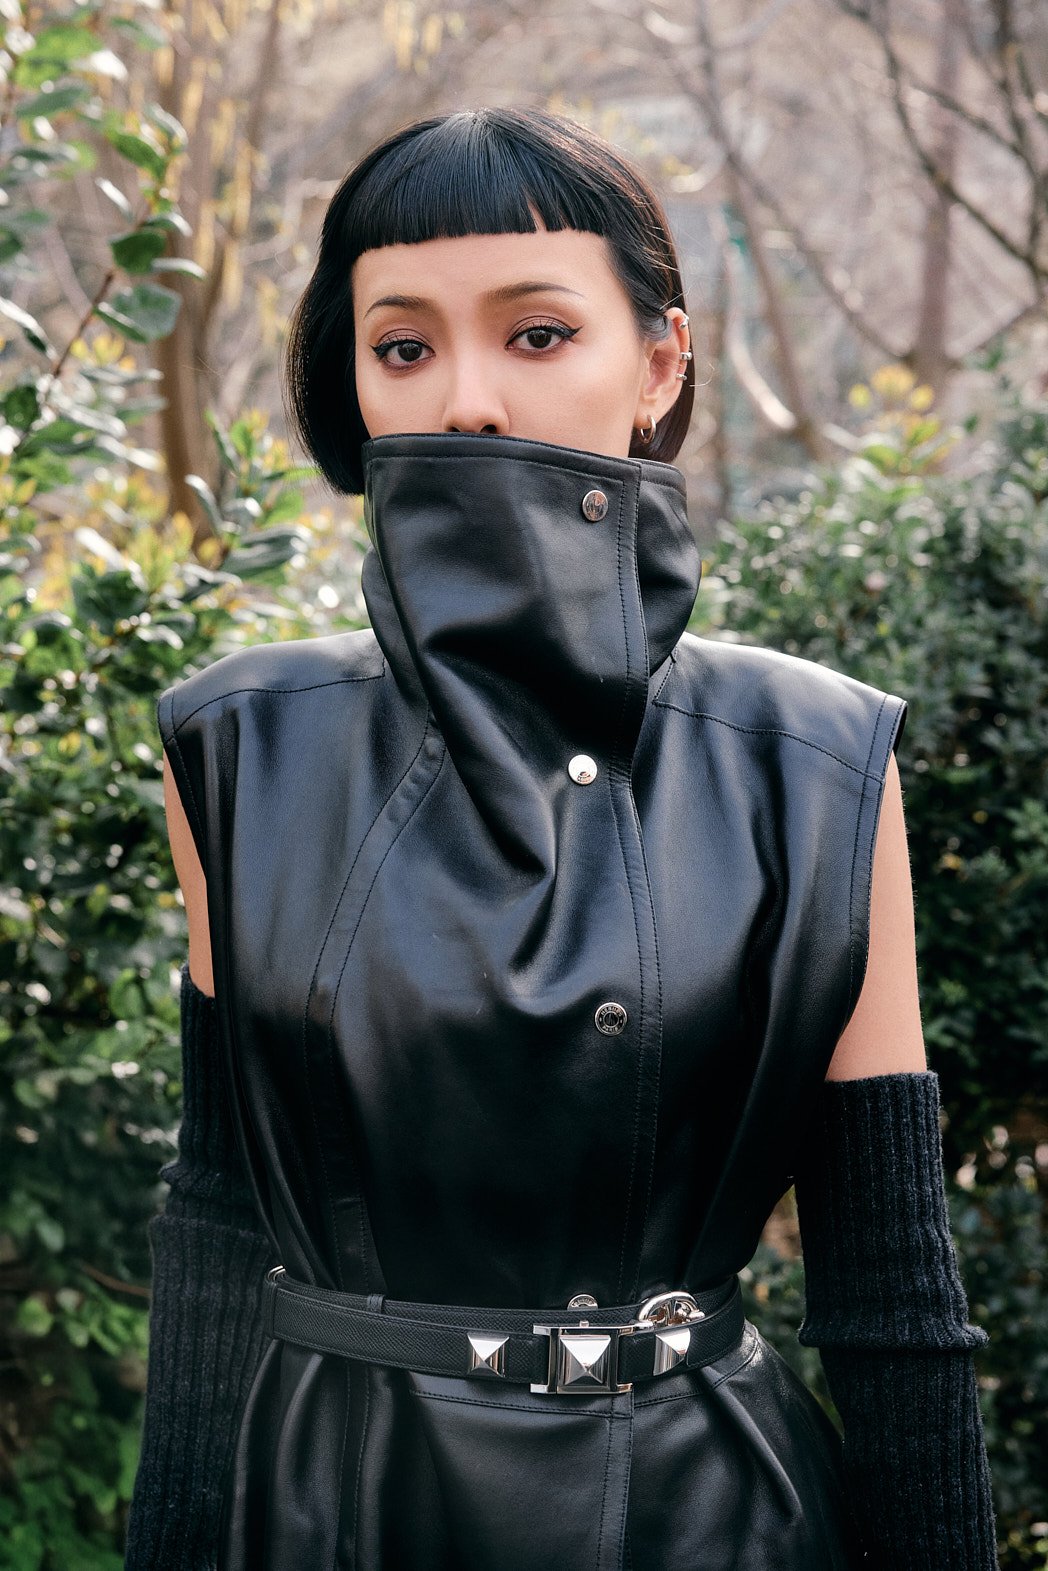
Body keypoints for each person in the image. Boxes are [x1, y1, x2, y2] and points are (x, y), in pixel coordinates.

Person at [124, 107, 998, 1570]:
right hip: (334, 1510)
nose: (465, 399)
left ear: (658, 366)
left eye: (537, 334)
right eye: (402, 346)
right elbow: (219, 1217)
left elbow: (892, 1282)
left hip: (706, 1518)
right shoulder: (241, 746)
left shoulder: (819, 760)